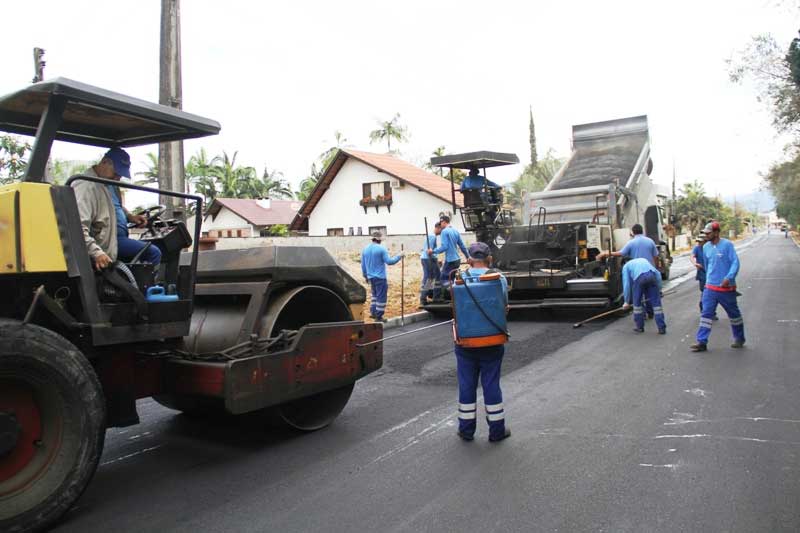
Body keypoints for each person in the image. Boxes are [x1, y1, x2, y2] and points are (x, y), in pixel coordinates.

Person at [453, 241, 511, 443]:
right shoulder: (499, 279)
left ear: (469, 260)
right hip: (493, 341)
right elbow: (503, 305)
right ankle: (497, 431)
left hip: (466, 343)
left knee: (467, 385)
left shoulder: (459, 279)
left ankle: (466, 430)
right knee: (491, 384)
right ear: (490, 259)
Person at [72, 148, 151, 270]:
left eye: (120, 175)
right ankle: (150, 289)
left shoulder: (107, 184)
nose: (118, 178)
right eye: (116, 173)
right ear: (105, 162)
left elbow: (114, 206)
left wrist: (130, 216)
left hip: (115, 240)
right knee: (153, 252)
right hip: (103, 245)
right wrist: (97, 252)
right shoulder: (87, 187)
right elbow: (77, 227)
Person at [690, 221, 745, 352]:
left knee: (734, 314)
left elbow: (735, 263)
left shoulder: (727, 245)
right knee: (706, 314)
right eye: (705, 233)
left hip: (726, 288)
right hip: (710, 288)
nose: (706, 235)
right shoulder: (706, 247)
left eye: (709, 233)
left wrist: (729, 277)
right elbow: (708, 265)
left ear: (716, 232)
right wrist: (708, 280)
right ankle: (702, 342)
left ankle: (739, 338)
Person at [597, 223, 659, 316]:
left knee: (638, 294)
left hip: (637, 272)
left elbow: (621, 253)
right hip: (650, 270)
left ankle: (641, 314)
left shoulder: (631, 242)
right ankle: (650, 312)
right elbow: (655, 256)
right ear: (642, 231)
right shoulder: (650, 241)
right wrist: (655, 268)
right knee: (649, 293)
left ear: (633, 232)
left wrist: (605, 254)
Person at [361, 230, 403, 322]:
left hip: (370, 277)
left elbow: (363, 265)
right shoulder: (381, 249)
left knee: (374, 296)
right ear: (379, 239)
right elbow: (389, 261)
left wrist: (365, 276)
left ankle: (373, 312)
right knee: (381, 297)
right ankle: (379, 316)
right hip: (380, 277)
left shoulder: (365, 249)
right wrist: (399, 256)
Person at [621, 257, 666, 334]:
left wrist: (626, 301)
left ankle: (640, 327)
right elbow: (658, 274)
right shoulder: (643, 259)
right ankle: (661, 328)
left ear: (624, 262)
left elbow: (626, 285)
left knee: (637, 304)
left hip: (639, 278)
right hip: (652, 277)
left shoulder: (626, 266)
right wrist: (659, 290)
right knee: (657, 305)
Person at [428, 215, 469, 299]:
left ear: (444, 222)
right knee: (452, 279)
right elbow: (462, 245)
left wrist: (433, 251)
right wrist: (468, 256)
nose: (440, 225)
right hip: (457, 259)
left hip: (450, 260)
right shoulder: (455, 231)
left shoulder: (444, 232)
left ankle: (441, 298)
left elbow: (444, 247)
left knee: (442, 279)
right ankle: (453, 297)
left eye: (441, 223)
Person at [419, 222, 442, 305]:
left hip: (425, 258)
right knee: (433, 277)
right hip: (429, 259)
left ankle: (424, 297)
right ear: (438, 228)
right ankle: (434, 297)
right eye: (441, 229)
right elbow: (429, 250)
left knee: (429, 278)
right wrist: (434, 259)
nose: (441, 232)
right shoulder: (432, 237)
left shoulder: (431, 236)